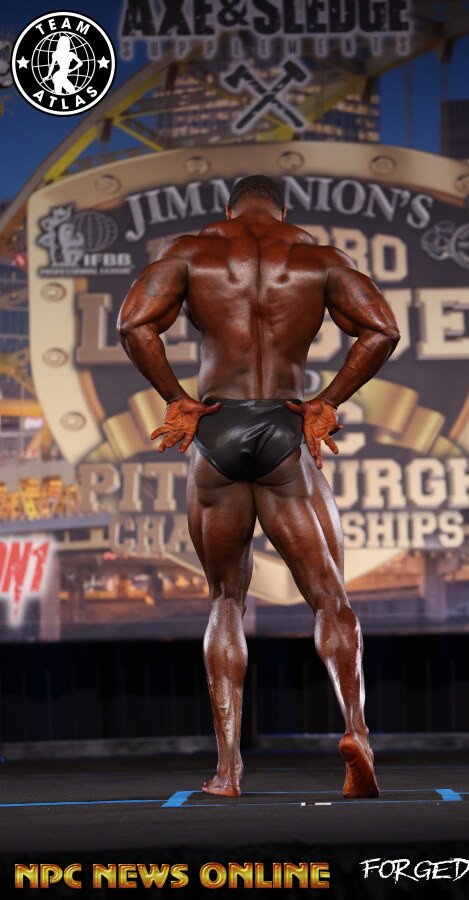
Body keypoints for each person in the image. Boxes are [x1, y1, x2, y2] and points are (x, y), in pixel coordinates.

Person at [117, 175, 400, 798]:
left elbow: (135, 324)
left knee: (225, 600)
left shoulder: (190, 252)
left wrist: (178, 400)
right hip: (284, 426)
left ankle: (228, 770)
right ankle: (357, 733)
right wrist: (327, 401)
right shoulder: (320, 259)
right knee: (329, 598)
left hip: (217, 427)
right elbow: (381, 330)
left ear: (227, 209)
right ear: (284, 209)